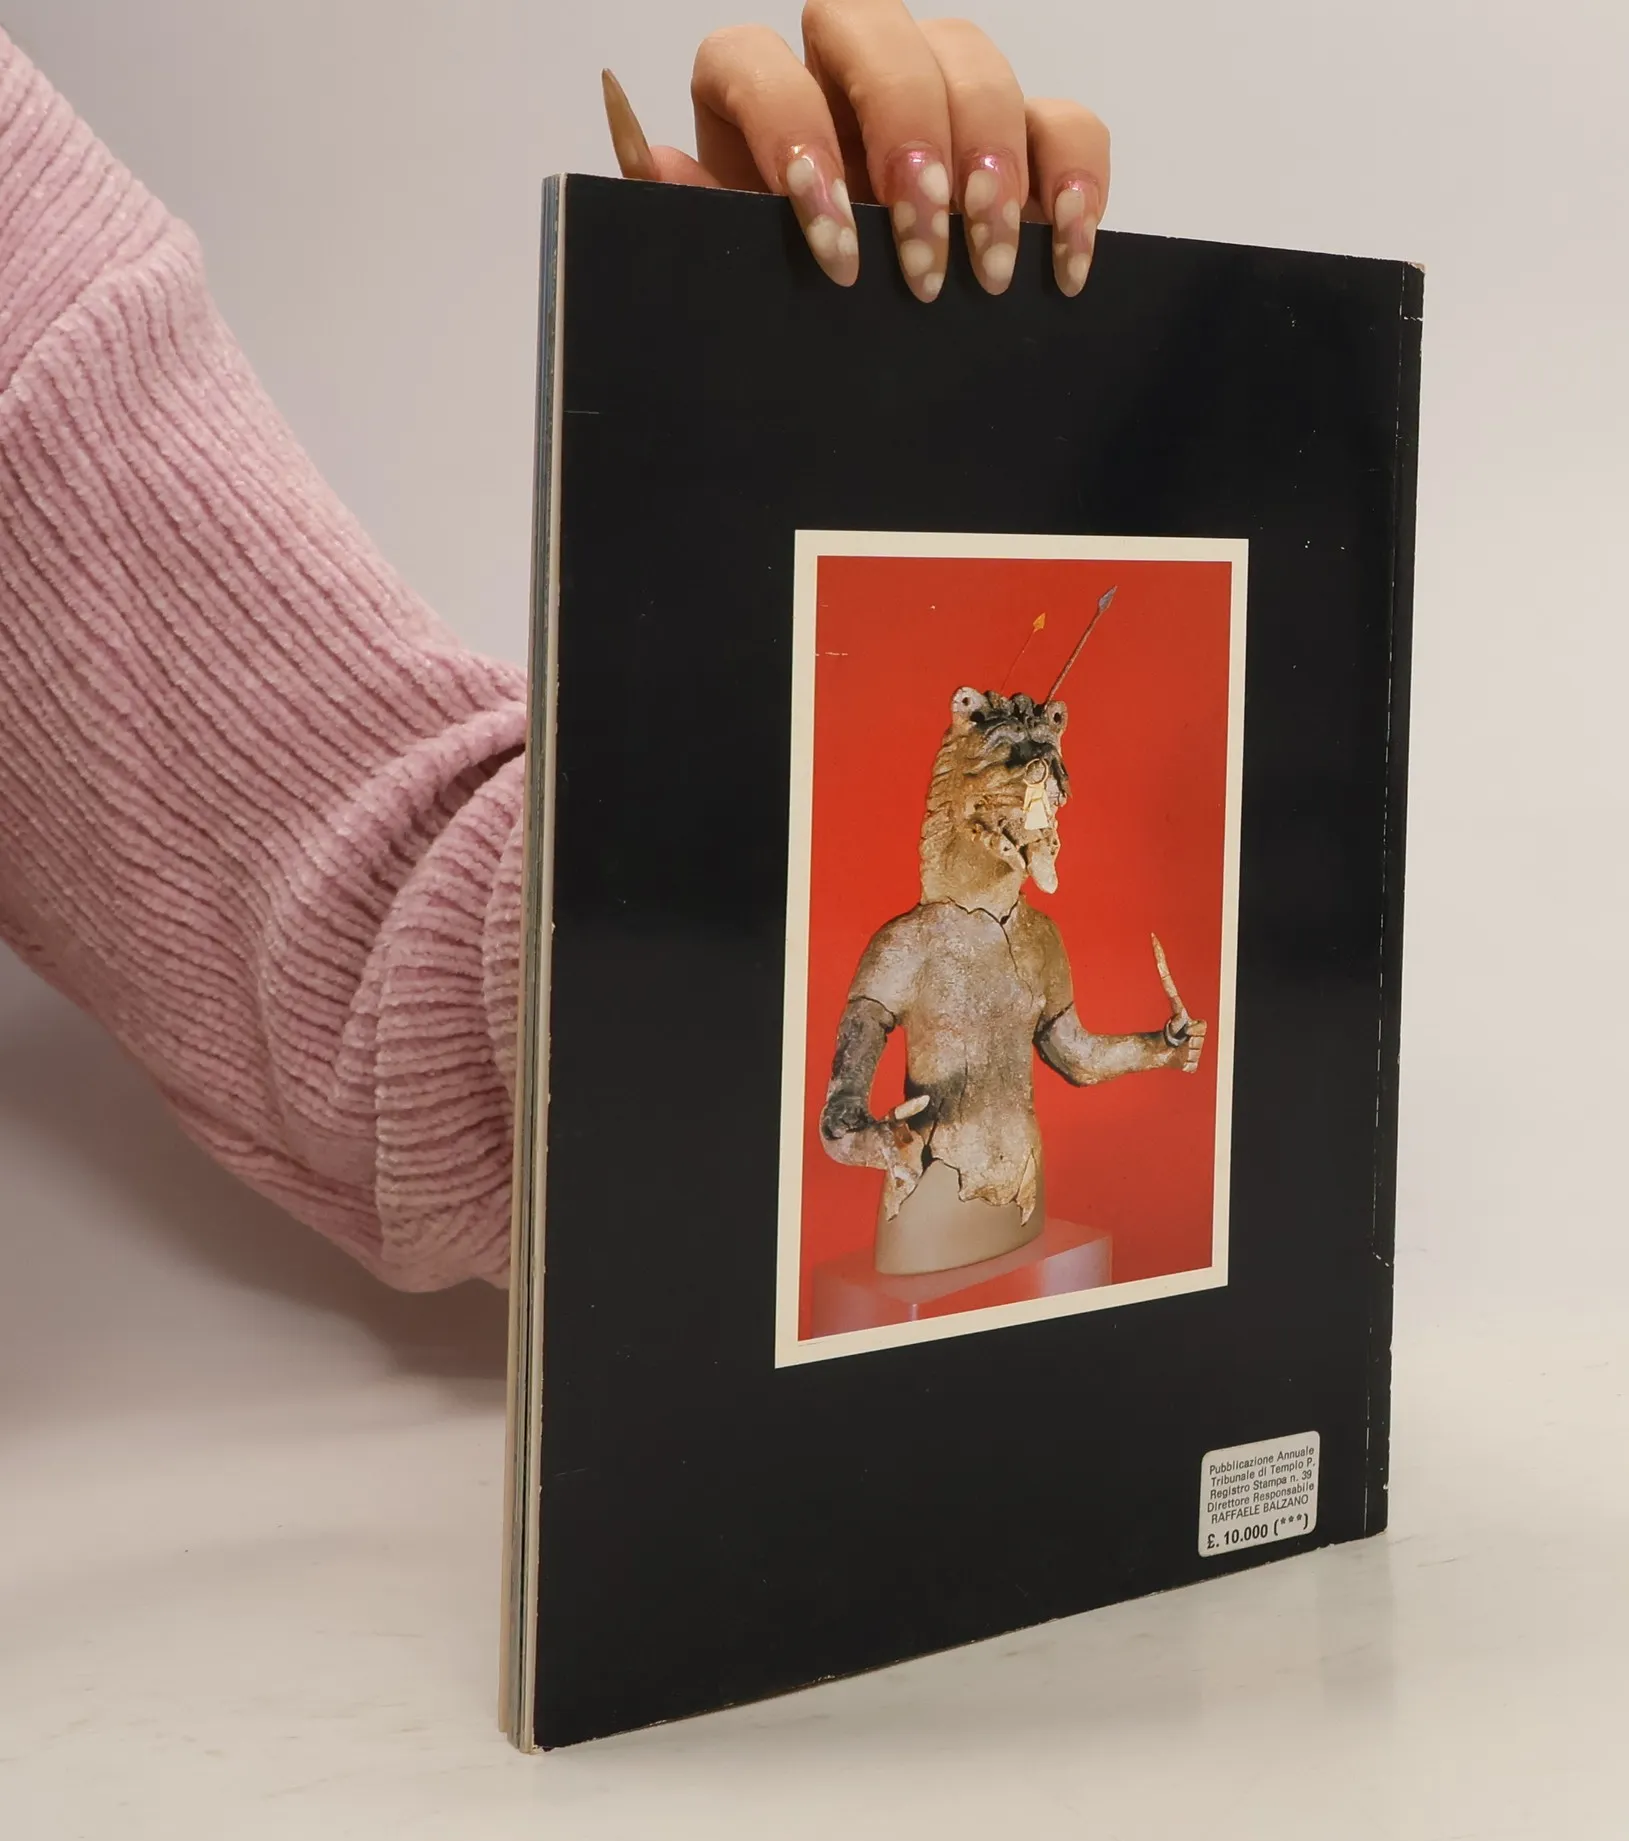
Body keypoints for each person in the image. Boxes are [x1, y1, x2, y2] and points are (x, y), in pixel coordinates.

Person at [0, 9, 1110, 1292]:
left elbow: (382, 991)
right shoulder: (906, 953)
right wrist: (882, 1137)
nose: (1051, 816)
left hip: (1007, 1245)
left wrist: (760, 605)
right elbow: (840, 1120)